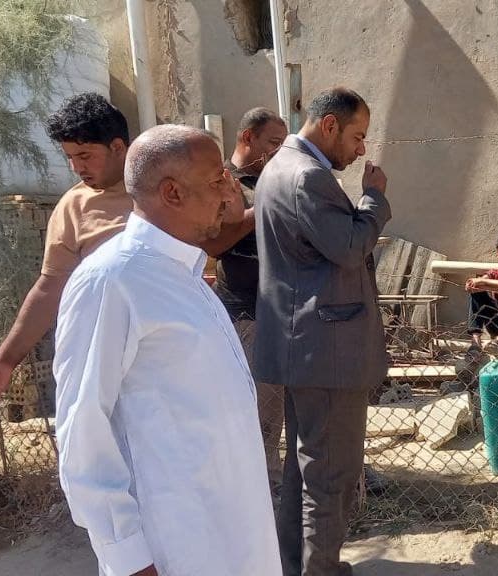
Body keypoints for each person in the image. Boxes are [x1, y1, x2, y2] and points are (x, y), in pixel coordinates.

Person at [54, 124, 279, 575]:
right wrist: (128, 557)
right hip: (176, 544)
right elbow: (83, 430)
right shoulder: (113, 280)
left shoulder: (184, 274)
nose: (229, 193)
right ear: (172, 192)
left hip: (235, 532)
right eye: (217, 180)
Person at [254, 87, 390, 576]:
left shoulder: (280, 167)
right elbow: (350, 247)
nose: (360, 149)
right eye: (357, 136)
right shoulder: (307, 176)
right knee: (331, 476)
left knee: (306, 469)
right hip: (327, 352)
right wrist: (374, 198)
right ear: (329, 125)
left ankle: (298, 566)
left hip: (304, 347)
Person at [0, 92, 132, 414]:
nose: (76, 167)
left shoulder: (163, 190)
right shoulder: (74, 207)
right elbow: (50, 288)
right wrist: (4, 361)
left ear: (118, 147)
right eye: (70, 157)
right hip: (108, 363)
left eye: (85, 155)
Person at [202, 107, 289, 498]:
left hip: (280, 312)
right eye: (273, 142)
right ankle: (259, 487)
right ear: (247, 137)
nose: (279, 151)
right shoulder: (224, 183)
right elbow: (215, 243)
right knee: (256, 403)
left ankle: (269, 479)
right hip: (245, 313)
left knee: (275, 404)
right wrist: (265, 207)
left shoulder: (269, 181)